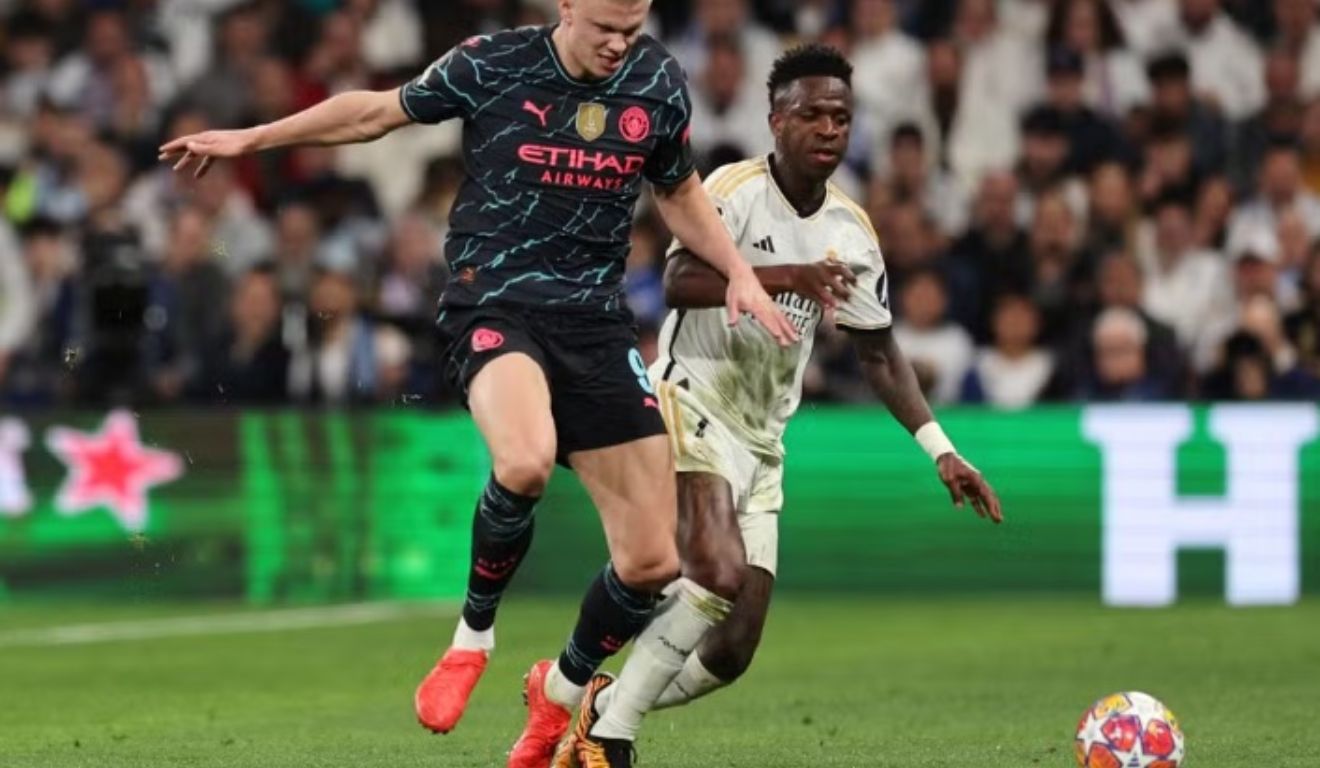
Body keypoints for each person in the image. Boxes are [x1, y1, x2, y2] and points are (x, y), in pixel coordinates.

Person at [160, 2, 797, 768]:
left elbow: (680, 190)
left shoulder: (656, 79)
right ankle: (472, 638)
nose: (619, 44)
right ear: (567, 6)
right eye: (605, 28)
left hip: (594, 326)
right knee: (524, 461)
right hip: (493, 302)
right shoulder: (494, 62)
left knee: (653, 563)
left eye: (632, 29)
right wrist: (253, 138)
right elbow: (375, 114)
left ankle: (558, 693)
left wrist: (740, 274)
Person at [551, 44, 1004, 766]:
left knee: (733, 647)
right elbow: (678, 279)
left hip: (764, 437)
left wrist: (942, 451)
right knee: (716, 573)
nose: (831, 129)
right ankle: (611, 738)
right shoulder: (732, 191)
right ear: (777, 119)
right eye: (815, 114)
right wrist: (786, 274)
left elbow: (879, 353)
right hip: (692, 394)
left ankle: (587, 702)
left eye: (843, 117)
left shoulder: (851, 233)